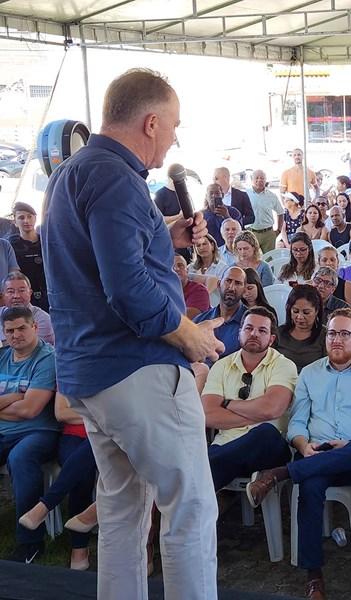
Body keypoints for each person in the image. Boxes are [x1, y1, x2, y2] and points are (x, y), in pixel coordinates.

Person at [41, 69, 224, 598]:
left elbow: (93, 259)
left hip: (90, 374)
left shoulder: (75, 171)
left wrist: (164, 233)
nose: (173, 138)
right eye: (173, 127)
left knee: (124, 510)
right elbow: (127, 289)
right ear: (150, 121)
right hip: (136, 368)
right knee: (189, 507)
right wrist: (185, 333)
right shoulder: (118, 178)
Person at [246, 309, 351, 600]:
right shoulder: (310, 374)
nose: (336, 340)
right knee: (311, 485)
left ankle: (280, 474)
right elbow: (297, 422)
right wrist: (303, 446)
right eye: (333, 333)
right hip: (314, 452)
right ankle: (314, 576)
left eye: (345, 334)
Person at [201, 306, 296, 491]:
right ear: (239, 333)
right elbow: (208, 415)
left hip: (269, 447)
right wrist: (256, 414)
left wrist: (228, 404)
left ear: (271, 339)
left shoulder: (284, 366)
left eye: (262, 331)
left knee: (265, 432)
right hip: (225, 445)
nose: (254, 334)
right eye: (249, 328)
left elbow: (271, 409)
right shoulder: (221, 366)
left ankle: (197, 482)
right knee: (213, 458)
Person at [0, 306, 59, 563]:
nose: (16, 335)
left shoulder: (47, 358)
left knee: (21, 459)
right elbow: (22, 404)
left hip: (39, 431)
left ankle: (30, 542)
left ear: (35, 327)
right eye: (9, 330)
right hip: (5, 429)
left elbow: (31, 409)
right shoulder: (2, 356)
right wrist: (15, 397)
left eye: (22, 328)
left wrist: (16, 402)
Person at [18, 393, 97, 570]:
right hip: (74, 436)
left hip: (104, 435)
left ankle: (46, 505)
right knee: (80, 471)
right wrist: (98, 416)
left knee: (92, 449)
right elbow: (62, 413)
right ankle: (79, 546)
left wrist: (84, 414)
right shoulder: (68, 367)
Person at [193, 266, 249, 362]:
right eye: (228, 281)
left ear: (244, 290)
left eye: (238, 283)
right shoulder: (201, 320)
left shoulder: (251, 323)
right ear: (219, 285)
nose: (231, 288)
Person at [274, 284, 327, 372]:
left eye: (306, 312)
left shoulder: (325, 335)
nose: (299, 317)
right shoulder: (278, 333)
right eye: (295, 311)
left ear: (317, 311)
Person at [9, 202, 46, 311]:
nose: (26, 221)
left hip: (49, 295)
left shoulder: (47, 241)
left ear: (35, 218)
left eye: (30, 216)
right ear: (15, 222)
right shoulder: (10, 245)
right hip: (24, 299)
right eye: (21, 217)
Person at [0, 272, 54, 345]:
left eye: (22, 290)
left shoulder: (43, 319)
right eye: (11, 291)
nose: (16, 296)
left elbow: (30, 349)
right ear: (3, 295)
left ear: (30, 293)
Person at [244, 169, 283, 253]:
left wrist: (278, 230)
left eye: (262, 178)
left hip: (268, 233)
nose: (259, 180)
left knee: (269, 259)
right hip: (251, 232)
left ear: (265, 180)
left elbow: (281, 213)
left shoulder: (272, 196)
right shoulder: (245, 194)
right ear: (252, 179)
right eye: (256, 178)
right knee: (250, 258)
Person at [189, 234, 228, 307]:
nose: (202, 247)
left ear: (212, 245)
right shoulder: (190, 268)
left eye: (204, 244)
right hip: (194, 306)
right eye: (198, 245)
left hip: (214, 307)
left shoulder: (223, 268)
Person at [202, 183, 243, 248]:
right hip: (209, 251)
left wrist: (227, 217)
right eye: (211, 193)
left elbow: (240, 232)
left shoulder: (233, 212)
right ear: (206, 196)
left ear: (222, 195)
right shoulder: (201, 216)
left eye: (217, 193)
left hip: (230, 250)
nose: (214, 196)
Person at [173, 254, 210, 319]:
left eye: (180, 265)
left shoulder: (199, 290)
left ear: (187, 270)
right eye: (171, 266)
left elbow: (185, 320)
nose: (176, 269)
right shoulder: (160, 289)